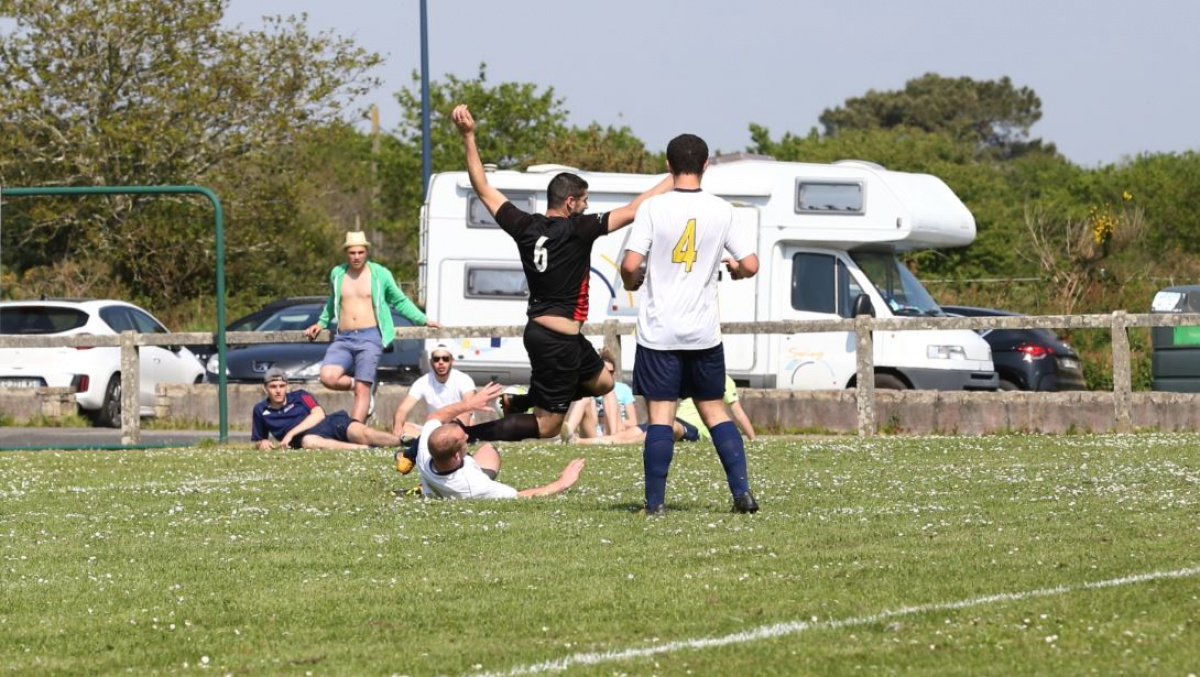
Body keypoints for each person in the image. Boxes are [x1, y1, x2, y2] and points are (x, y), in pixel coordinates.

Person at [450, 103, 673, 443]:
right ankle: (465, 433)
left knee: (604, 383)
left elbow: (482, 188)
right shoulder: (578, 229)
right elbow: (633, 209)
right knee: (547, 427)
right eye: (584, 201)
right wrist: (676, 177)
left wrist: (469, 137)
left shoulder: (524, 225)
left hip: (552, 335)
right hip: (557, 341)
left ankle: (523, 400)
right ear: (570, 202)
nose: (586, 206)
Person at [620, 132, 761, 515]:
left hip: (659, 333)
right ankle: (742, 494)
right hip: (703, 333)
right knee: (715, 410)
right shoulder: (722, 210)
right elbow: (750, 264)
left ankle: (655, 504)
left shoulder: (653, 208)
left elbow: (631, 265)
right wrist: (735, 270)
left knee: (660, 416)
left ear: (668, 165)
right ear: (705, 165)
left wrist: (632, 281)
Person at [304, 230, 440, 425]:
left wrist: (423, 319)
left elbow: (399, 300)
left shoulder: (380, 274)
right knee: (328, 377)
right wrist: (321, 322)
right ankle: (359, 385)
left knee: (362, 390)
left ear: (367, 252)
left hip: (370, 336)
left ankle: (355, 432)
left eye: (360, 252)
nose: (356, 257)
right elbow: (332, 301)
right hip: (344, 337)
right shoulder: (337, 273)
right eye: (352, 253)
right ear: (346, 253)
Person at [415, 382, 586, 499]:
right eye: (463, 439)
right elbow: (520, 496)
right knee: (489, 451)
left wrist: (469, 405)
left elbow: (434, 416)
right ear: (456, 456)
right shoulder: (473, 485)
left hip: (445, 475)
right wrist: (562, 483)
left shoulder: (425, 452)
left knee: (488, 449)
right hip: (465, 483)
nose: (467, 436)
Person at [579, 374, 754, 446]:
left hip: (690, 428)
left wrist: (752, 439)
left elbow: (738, 412)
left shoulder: (723, 380)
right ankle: (580, 442)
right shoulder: (692, 377)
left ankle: (622, 445)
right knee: (624, 434)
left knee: (669, 428)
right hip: (669, 419)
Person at [251, 367, 403, 450]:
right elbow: (258, 439)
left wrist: (290, 434)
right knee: (309, 441)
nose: (278, 390)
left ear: (287, 386)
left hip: (332, 423)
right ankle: (364, 449)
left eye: (281, 386)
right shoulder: (260, 410)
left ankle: (404, 443)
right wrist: (262, 443)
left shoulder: (300, 395)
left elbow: (319, 414)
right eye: (273, 387)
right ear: (265, 388)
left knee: (366, 433)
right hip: (308, 439)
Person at [390, 345, 477, 474]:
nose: (441, 362)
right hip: (434, 428)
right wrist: (397, 426)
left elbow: (469, 406)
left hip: (458, 426)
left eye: (445, 359)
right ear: (431, 362)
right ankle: (429, 444)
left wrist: (455, 429)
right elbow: (403, 409)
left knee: (465, 420)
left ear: (452, 361)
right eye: (436, 359)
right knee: (404, 426)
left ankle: (414, 450)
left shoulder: (463, 379)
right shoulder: (423, 381)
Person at [562, 347, 638, 441]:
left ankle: (613, 438)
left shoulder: (624, 389)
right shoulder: (591, 387)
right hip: (594, 429)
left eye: (610, 372)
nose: (608, 375)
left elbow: (633, 422)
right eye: (605, 372)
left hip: (614, 427)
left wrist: (610, 418)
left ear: (614, 372)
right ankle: (568, 433)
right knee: (585, 398)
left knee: (609, 392)